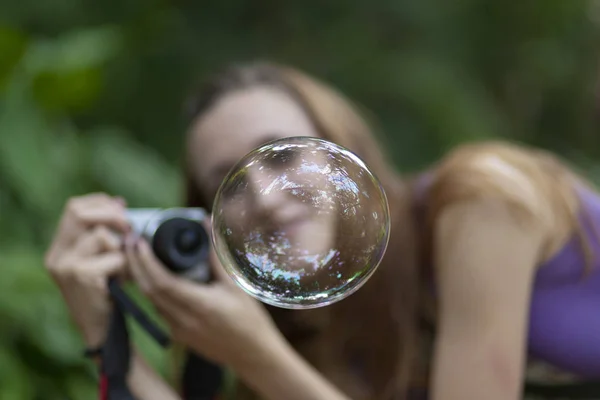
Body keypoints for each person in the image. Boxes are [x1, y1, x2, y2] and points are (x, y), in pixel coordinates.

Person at [44, 60, 600, 400]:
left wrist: (258, 357)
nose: (262, 196)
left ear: (344, 149)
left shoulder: (481, 203)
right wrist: (100, 328)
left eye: (281, 155)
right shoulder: (326, 334)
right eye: (227, 182)